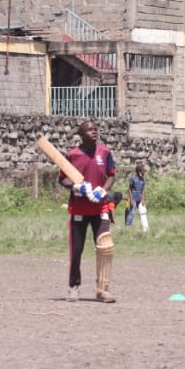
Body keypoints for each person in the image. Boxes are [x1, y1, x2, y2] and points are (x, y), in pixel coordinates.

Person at [59, 120, 117, 303]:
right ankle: (73, 287)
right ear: (81, 134)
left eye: (95, 129)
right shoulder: (72, 155)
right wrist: (76, 187)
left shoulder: (105, 152)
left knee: (104, 248)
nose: (94, 132)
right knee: (76, 250)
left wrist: (103, 190)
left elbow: (112, 175)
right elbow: (62, 179)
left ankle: (103, 289)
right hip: (79, 209)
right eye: (89, 130)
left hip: (100, 208)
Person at [125, 163, 149, 232]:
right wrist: (131, 199)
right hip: (133, 199)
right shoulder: (133, 179)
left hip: (140, 199)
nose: (144, 172)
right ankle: (127, 228)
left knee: (143, 213)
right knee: (131, 214)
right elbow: (130, 189)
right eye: (143, 171)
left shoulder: (142, 179)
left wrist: (143, 199)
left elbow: (143, 190)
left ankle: (146, 229)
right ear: (139, 171)